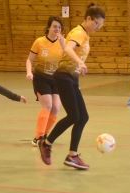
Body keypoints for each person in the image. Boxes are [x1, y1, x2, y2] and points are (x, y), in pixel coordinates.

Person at [37, 2, 105, 170]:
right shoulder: (78, 32)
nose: (98, 27)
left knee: (83, 117)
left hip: (71, 78)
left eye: (101, 25)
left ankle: (72, 155)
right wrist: (80, 62)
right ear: (88, 18)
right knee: (74, 116)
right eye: (96, 23)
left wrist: (77, 80)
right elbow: (67, 49)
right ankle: (46, 143)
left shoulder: (85, 35)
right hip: (63, 76)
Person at [26, 16, 65, 146]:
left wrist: (64, 44)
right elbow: (30, 59)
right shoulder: (39, 42)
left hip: (56, 79)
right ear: (48, 27)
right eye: (55, 26)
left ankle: (45, 134)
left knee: (56, 108)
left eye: (59, 27)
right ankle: (38, 137)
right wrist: (29, 72)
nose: (57, 29)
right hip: (41, 77)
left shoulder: (62, 43)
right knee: (47, 105)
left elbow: (67, 60)